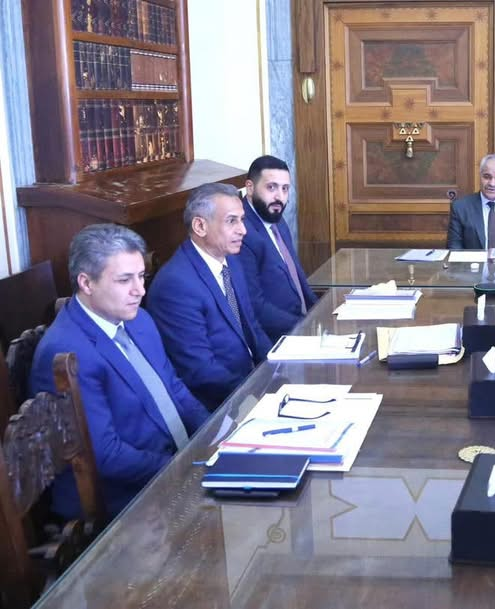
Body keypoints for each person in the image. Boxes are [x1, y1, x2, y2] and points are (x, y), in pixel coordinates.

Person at [30, 224, 208, 519]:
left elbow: (173, 387)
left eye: (141, 276)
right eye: (125, 280)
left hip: (174, 463)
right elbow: (106, 456)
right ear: (86, 283)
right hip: (125, 498)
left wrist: (215, 435)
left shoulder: (139, 319)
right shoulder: (66, 352)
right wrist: (185, 466)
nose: (140, 290)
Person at [147, 182, 271, 410]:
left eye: (242, 220)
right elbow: (200, 371)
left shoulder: (232, 260)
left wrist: (276, 371)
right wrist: (257, 394)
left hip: (252, 384)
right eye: (231, 221)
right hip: (220, 405)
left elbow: (252, 327)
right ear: (200, 226)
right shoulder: (175, 285)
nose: (243, 230)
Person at [235, 155, 317, 342]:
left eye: (285, 189)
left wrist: (320, 313)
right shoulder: (242, 232)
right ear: (250, 188)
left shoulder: (276, 220)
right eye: (271, 187)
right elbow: (254, 305)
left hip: (302, 326)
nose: (279, 197)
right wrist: (305, 326)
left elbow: (297, 277)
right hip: (276, 337)